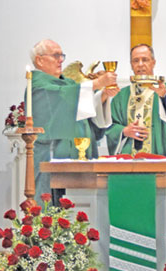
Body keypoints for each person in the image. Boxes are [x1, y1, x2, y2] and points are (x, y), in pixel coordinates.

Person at [30, 39, 118, 204]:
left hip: (80, 155)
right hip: (51, 155)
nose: (61, 60)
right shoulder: (38, 85)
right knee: (52, 207)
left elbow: (82, 112)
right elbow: (62, 98)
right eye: (55, 55)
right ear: (39, 60)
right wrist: (97, 83)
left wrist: (104, 95)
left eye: (61, 55)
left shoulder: (68, 83)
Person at [106, 44, 166, 157]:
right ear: (131, 65)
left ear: (153, 62)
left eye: (145, 60)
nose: (140, 64)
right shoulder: (121, 96)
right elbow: (110, 125)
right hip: (129, 158)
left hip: (160, 153)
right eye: (135, 60)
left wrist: (164, 97)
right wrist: (124, 131)